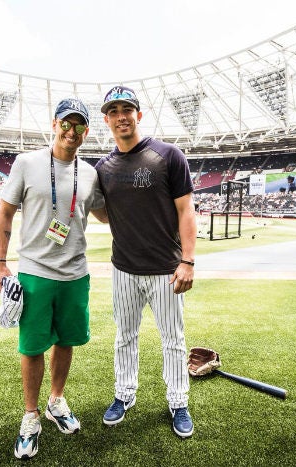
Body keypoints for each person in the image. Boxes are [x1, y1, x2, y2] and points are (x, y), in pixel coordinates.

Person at [0, 98, 107, 460]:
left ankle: (56, 400)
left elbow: (106, 215)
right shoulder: (27, 163)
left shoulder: (91, 174)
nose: (71, 131)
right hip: (35, 273)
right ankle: (30, 416)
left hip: (75, 273)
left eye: (79, 125)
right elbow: (5, 214)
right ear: (54, 124)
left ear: (85, 131)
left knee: (67, 341)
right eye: (66, 123)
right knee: (32, 346)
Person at [95, 86, 197, 438]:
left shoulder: (168, 155)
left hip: (166, 269)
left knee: (173, 339)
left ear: (139, 115)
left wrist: (188, 261)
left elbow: (186, 211)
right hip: (123, 267)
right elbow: (105, 217)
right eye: (114, 110)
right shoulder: (103, 167)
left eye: (127, 109)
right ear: (106, 119)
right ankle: (124, 395)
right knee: (125, 336)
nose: (121, 115)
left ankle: (178, 401)